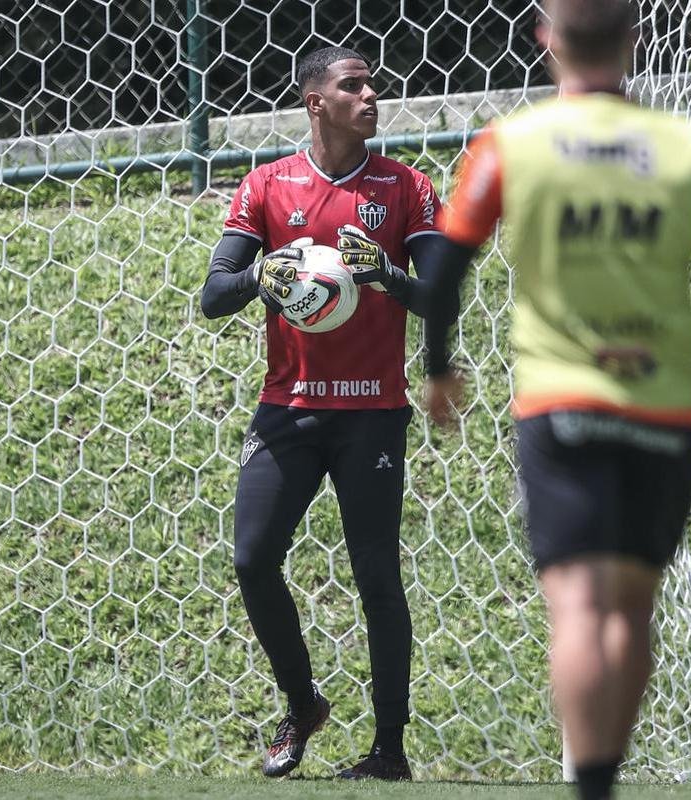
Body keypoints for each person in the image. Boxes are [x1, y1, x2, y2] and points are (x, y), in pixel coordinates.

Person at [422, 2, 691, 797]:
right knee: (632, 611)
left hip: (560, 407)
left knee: (578, 608)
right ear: (634, 39)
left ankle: (591, 789)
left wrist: (439, 365)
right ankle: (603, 780)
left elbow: (444, 267)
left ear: (546, 39)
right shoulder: (688, 152)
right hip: (660, 409)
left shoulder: (510, 145)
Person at [200, 46, 443, 781]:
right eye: (354, 85)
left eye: (374, 82)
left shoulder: (407, 188)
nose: (373, 93)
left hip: (374, 414)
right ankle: (302, 702)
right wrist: (260, 277)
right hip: (290, 410)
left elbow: (442, 294)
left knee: (377, 575)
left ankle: (390, 752)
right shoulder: (267, 186)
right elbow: (213, 295)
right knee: (251, 557)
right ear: (315, 102)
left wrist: (388, 275)